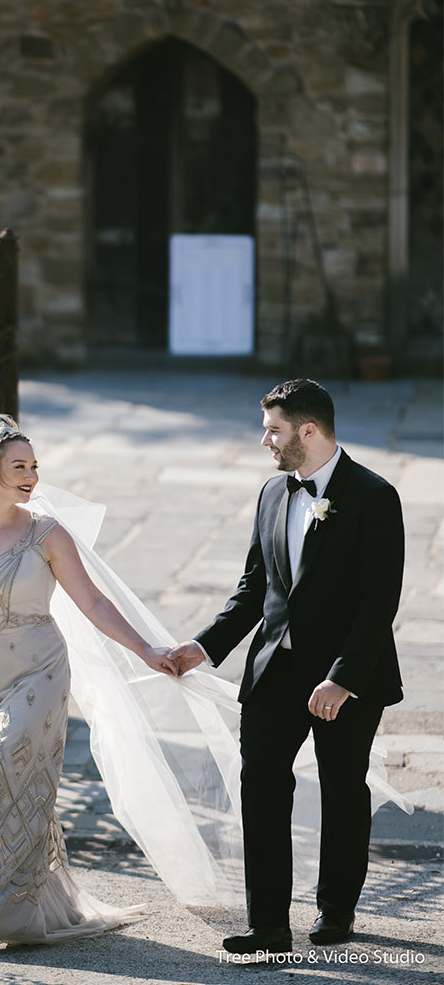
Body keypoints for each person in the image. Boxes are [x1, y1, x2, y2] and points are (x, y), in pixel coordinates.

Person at [0, 412, 178, 954]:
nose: (31, 477)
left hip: (39, 675)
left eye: (35, 466)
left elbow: (91, 601)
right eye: (19, 466)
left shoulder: (48, 533)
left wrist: (147, 648)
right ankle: (26, 905)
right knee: (7, 791)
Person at [168, 377, 405, 955]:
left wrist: (343, 679)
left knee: (343, 788)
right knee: (262, 789)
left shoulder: (375, 497)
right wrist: (205, 645)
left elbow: (380, 603)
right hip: (274, 671)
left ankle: (336, 909)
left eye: (273, 429)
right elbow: (255, 588)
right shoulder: (273, 493)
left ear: (308, 430)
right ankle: (269, 923)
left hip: (347, 679)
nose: (264, 440)